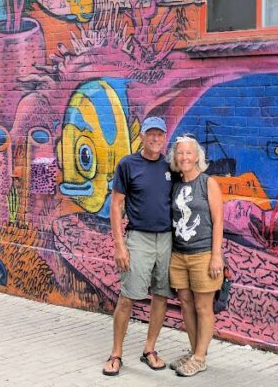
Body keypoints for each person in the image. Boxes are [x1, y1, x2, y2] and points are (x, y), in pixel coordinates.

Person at [102, 116, 174, 376]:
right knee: (128, 296)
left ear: (164, 137)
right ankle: (116, 353)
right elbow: (116, 205)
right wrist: (119, 245)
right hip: (138, 239)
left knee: (161, 295)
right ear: (141, 136)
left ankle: (149, 349)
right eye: (150, 134)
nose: (155, 138)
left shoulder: (170, 166)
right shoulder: (128, 165)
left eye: (159, 134)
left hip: (166, 239)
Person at [165, 135, 225, 377]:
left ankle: (200, 357)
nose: (184, 157)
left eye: (189, 153)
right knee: (186, 304)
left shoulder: (207, 183)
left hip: (203, 254)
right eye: (180, 153)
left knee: (203, 307)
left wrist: (216, 256)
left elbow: (218, 221)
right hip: (179, 255)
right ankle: (194, 352)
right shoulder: (175, 185)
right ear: (174, 158)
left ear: (197, 157)